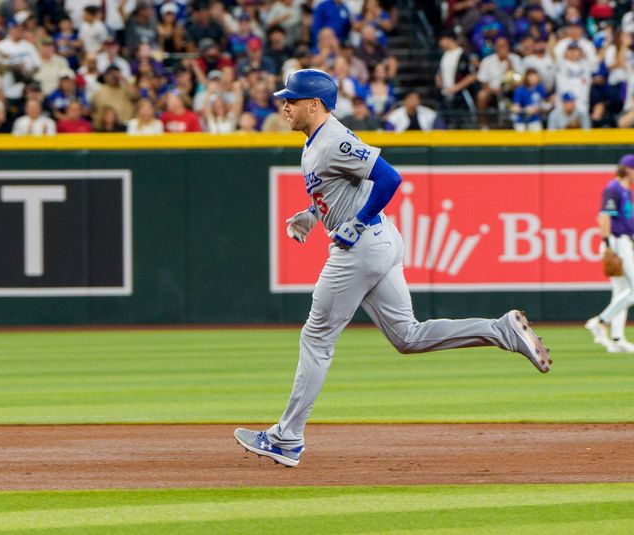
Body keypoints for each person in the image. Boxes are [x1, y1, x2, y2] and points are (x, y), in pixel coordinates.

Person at [233, 69, 551, 468]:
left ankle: (286, 438)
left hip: (363, 247)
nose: (284, 106)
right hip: (380, 243)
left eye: (292, 100)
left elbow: (389, 178)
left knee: (317, 338)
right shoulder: (316, 141)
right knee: (407, 336)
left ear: (314, 105)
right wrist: (314, 214)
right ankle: (499, 330)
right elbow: (342, 188)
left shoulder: (333, 139)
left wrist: (359, 221)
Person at [585, 155, 634, 353]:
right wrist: (607, 244)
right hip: (616, 241)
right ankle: (600, 321)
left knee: (621, 292)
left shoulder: (626, 190)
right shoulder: (613, 188)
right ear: (628, 169)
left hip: (624, 241)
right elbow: (604, 216)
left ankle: (617, 337)